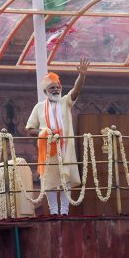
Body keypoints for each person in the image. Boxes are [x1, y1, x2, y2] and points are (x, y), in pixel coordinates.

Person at [25, 59, 89, 216]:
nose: (55, 90)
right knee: (49, 181)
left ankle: (65, 211)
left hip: (65, 148)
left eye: (57, 87)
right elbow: (29, 129)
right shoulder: (39, 108)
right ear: (46, 92)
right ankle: (54, 211)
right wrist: (44, 131)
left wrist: (82, 76)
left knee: (65, 178)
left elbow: (76, 91)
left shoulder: (65, 102)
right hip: (47, 150)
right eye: (51, 88)